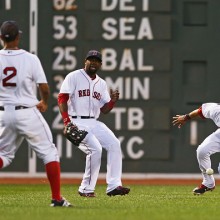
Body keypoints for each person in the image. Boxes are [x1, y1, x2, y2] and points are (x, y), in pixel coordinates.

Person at [0, 20, 72, 207]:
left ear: (1, 38)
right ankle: (57, 198)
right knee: (49, 153)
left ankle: (57, 199)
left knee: (4, 156)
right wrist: (44, 102)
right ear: (18, 37)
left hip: (3, 114)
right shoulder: (30, 59)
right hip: (26, 112)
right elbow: (44, 87)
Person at [58, 50, 130, 197]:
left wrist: (113, 102)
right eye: (91, 59)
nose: (93, 62)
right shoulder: (74, 76)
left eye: (97, 60)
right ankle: (85, 189)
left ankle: (114, 186)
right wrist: (67, 121)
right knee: (95, 149)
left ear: (100, 64)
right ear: (85, 61)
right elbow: (62, 98)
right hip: (76, 120)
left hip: (93, 121)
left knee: (114, 144)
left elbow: (104, 109)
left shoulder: (101, 83)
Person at [172, 102, 220, 195]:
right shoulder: (216, 110)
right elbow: (200, 111)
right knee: (202, 151)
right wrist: (186, 117)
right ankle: (208, 183)